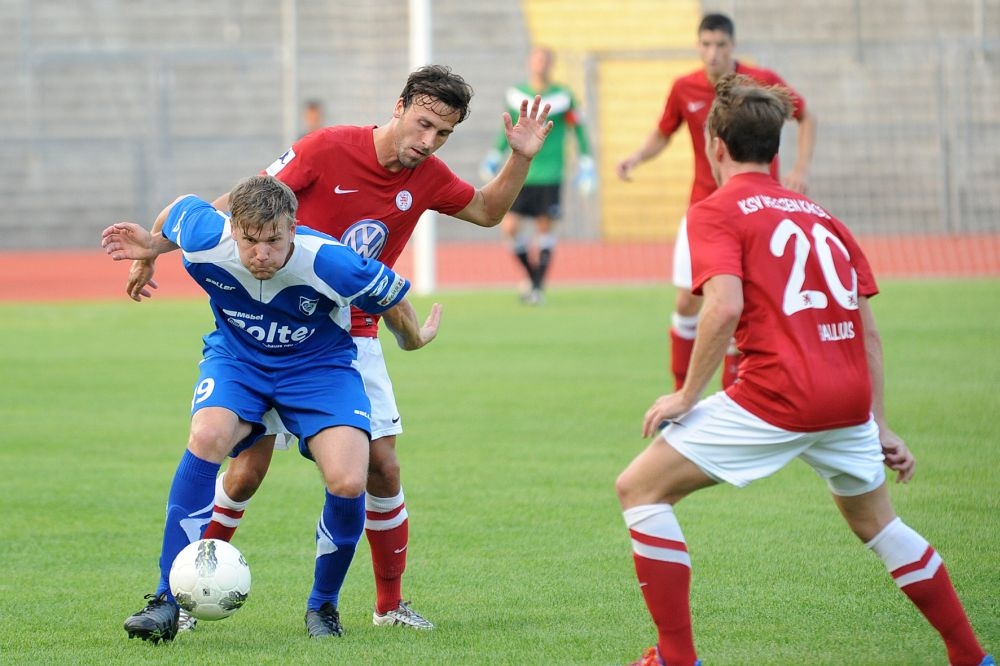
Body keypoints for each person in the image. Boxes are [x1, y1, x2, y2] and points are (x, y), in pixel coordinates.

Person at [125, 65, 553, 632]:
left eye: (443, 134)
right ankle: (185, 595)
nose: (428, 143)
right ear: (399, 106)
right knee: (245, 469)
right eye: (423, 125)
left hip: (352, 334)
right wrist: (157, 245)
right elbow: (241, 205)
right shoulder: (326, 148)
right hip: (268, 319)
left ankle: (387, 605)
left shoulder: (427, 177)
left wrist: (520, 157)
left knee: (379, 467)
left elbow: (488, 211)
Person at [615, 75, 992, 666]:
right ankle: (972, 657)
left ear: (715, 145)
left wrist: (687, 394)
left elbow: (724, 306)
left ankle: (676, 658)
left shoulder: (714, 211)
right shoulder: (822, 216)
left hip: (777, 393)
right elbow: (866, 327)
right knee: (879, 525)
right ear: (777, 149)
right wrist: (879, 424)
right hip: (846, 401)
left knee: (638, 488)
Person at [104, 175, 442, 643]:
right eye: (249, 241)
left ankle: (323, 605)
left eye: (273, 241)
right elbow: (178, 209)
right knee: (206, 437)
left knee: (348, 478)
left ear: (293, 228)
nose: (260, 254)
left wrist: (414, 339)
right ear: (233, 228)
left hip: (318, 367)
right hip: (238, 360)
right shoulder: (208, 235)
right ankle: (164, 599)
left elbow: (393, 301)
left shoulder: (329, 261)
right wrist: (150, 251)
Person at [616, 13, 816, 389]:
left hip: (758, 212)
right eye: (706, 45)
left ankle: (734, 396)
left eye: (720, 45)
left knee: (743, 308)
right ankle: (679, 397)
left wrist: (801, 168)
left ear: (732, 46)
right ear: (698, 46)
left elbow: (806, 116)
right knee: (687, 304)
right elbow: (663, 132)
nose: (713, 54)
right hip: (705, 212)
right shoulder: (684, 88)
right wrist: (636, 158)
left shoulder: (761, 83)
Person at [479, 45, 594, 305]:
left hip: (550, 173)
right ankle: (533, 279)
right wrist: (495, 155)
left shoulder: (564, 96)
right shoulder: (516, 94)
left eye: (545, 59)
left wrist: (586, 161)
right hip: (521, 172)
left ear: (550, 64)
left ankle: (537, 288)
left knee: (544, 229)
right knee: (509, 227)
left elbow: (579, 130)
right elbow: (505, 130)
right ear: (530, 63)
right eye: (536, 59)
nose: (540, 63)